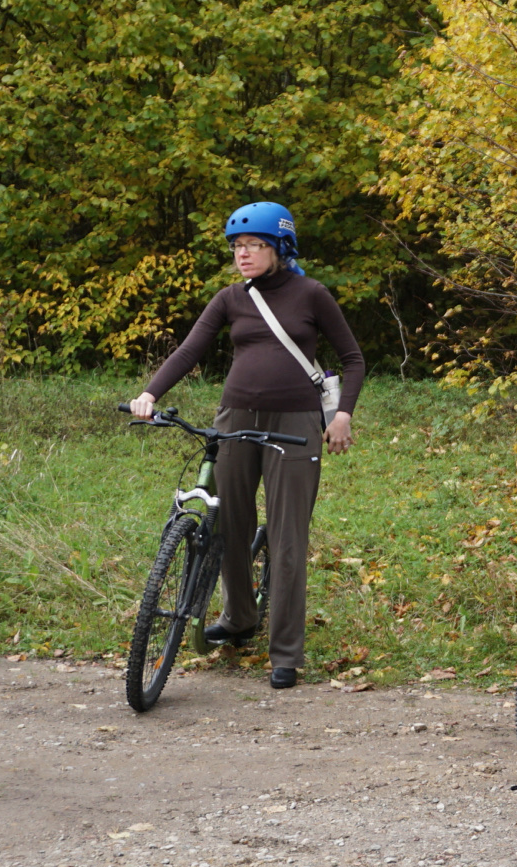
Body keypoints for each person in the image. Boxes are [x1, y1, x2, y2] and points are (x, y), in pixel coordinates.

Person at [130, 204, 364, 693]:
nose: (243, 254)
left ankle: (286, 653)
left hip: (296, 423)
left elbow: (353, 358)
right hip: (233, 419)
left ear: (279, 248)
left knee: (286, 539)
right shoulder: (230, 299)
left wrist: (342, 414)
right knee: (228, 527)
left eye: (254, 245)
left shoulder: (311, 295)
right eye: (237, 247)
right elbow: (190, 349)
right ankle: (238, 620)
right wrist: (151, 392)